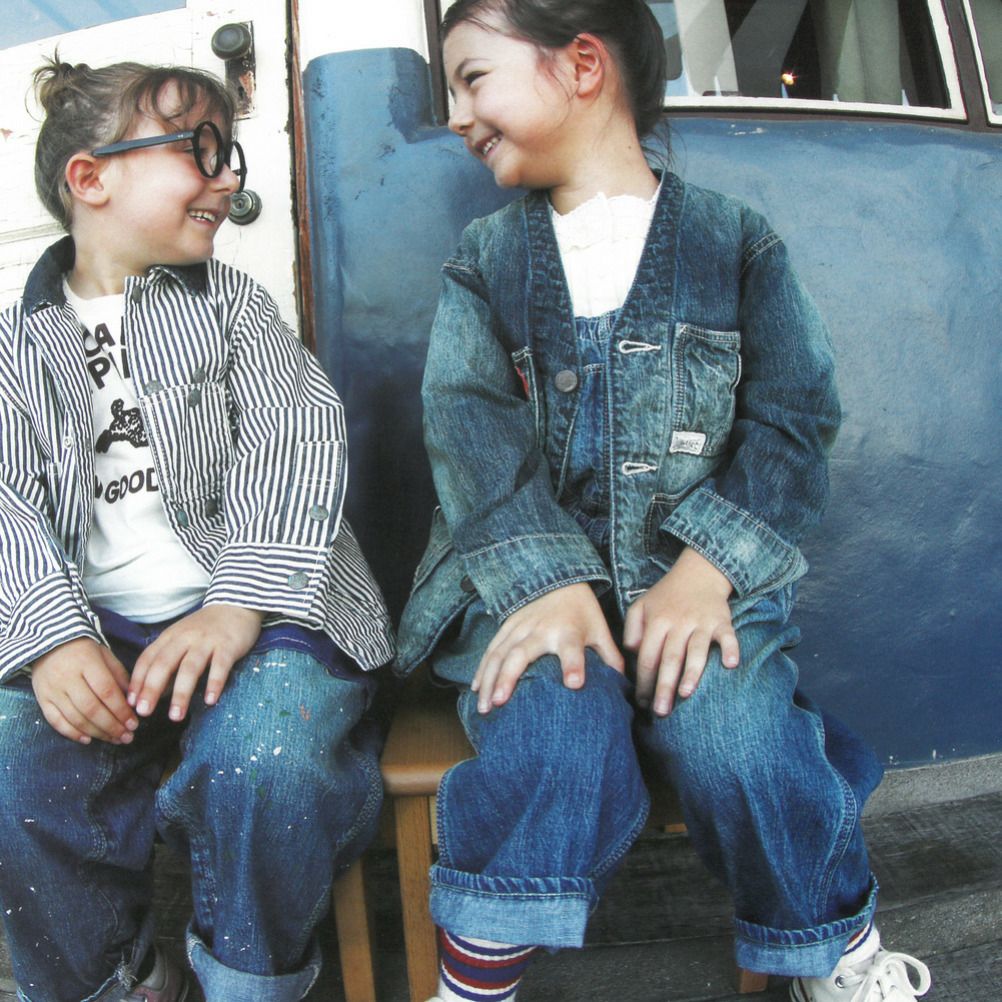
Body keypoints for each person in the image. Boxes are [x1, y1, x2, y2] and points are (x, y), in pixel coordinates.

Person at [395, 2, 933, 1001]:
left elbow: (793, 420)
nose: (458, 114)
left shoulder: (736, 244)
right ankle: (474, 979)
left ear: (582, 65)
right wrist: (546, 583)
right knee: (553, 737)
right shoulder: (486, 259)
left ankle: (835, 945)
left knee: (738, 743)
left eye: (472, 79)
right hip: (523, 595)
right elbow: (466, 425)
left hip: (698, 592)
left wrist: (707, 570)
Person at [0, 58, 394, 1002]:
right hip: (101, 635)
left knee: (268, 759)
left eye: (233, 156)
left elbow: (295, 439)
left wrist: (237, 602)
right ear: (90, 178)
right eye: (200, 151)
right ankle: (121, 982)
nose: (228, 178)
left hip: (271, 619)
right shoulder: (14, 348)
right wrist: (51, 639)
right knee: (13, 767)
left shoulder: (235, 310)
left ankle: (249, 978)